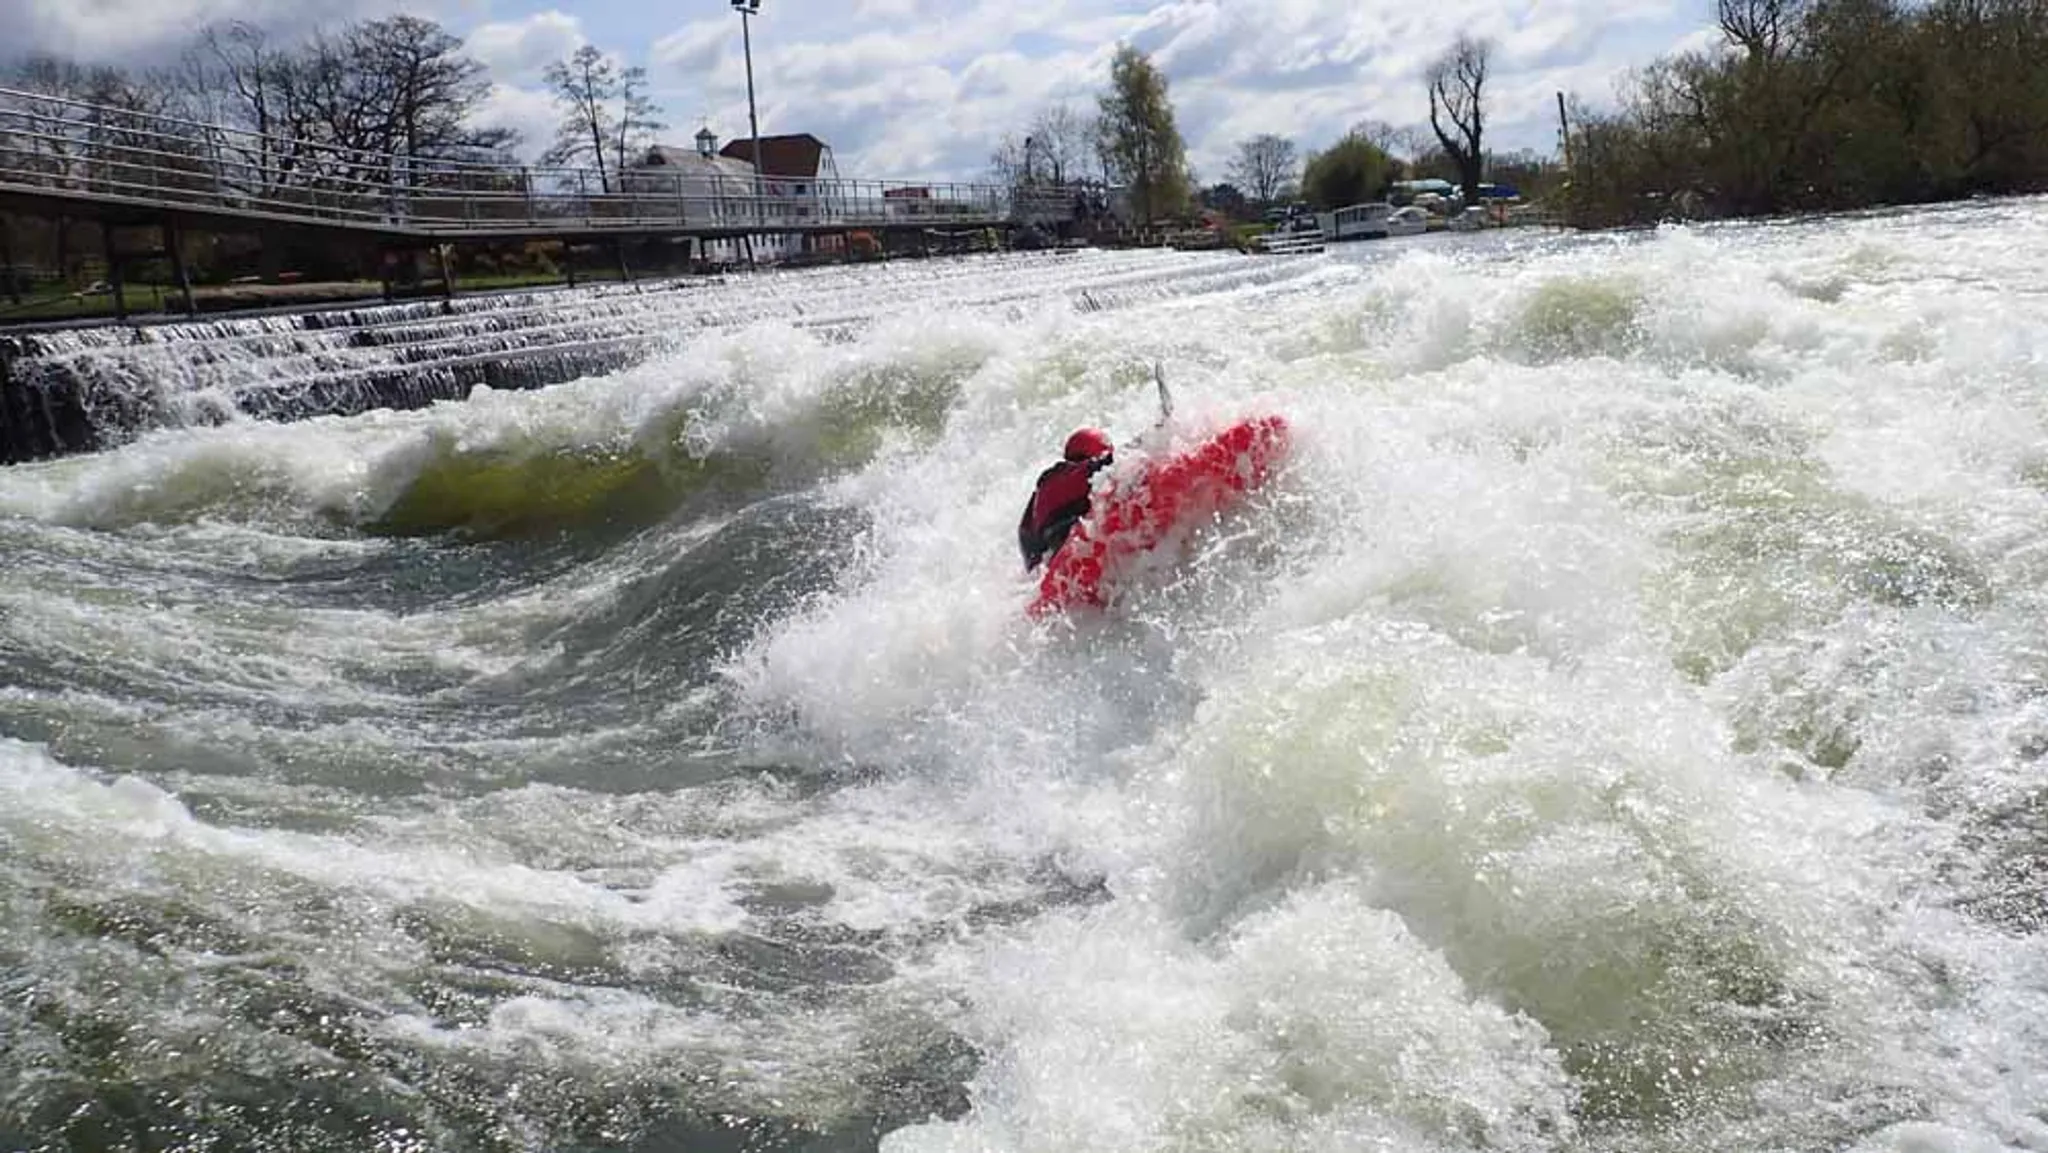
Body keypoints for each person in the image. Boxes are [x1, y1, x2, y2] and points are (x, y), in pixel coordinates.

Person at [1018, 427, 1114, 571]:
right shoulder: (1077, 474)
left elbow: (1029, 548)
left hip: (1054, 562)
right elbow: (1107, 464)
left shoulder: (1039, 495)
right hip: (1073, 547)